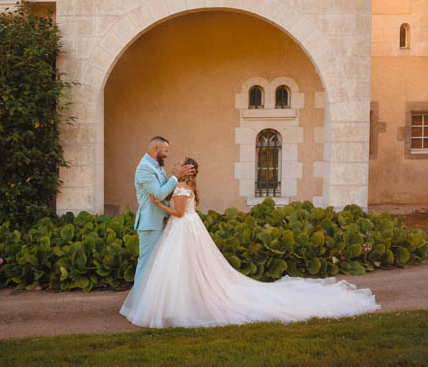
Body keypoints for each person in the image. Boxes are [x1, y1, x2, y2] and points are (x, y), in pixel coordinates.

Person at [120, 157, 380, 328]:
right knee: (188, 268)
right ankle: (180, 301)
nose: (175, 163)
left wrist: (157, 204)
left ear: (187, 171)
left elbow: (178, 212)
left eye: (179, 163)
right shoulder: (185, 188)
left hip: (181, 228)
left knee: (181, 268)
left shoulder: (181, 189)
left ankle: (179, 305)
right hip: (187, 228)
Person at [132, 136, 197, 284]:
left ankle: (151, 303)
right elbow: (159, 194)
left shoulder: (156, 165)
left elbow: (166, 191)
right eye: (166, 151)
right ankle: (138, 304)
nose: (167, 154)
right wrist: (175, 176)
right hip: (150, 224)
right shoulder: (145, 168)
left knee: (156, 266)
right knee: (146, 265)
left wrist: (181, 179)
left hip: (161, 222)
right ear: (156, 149)